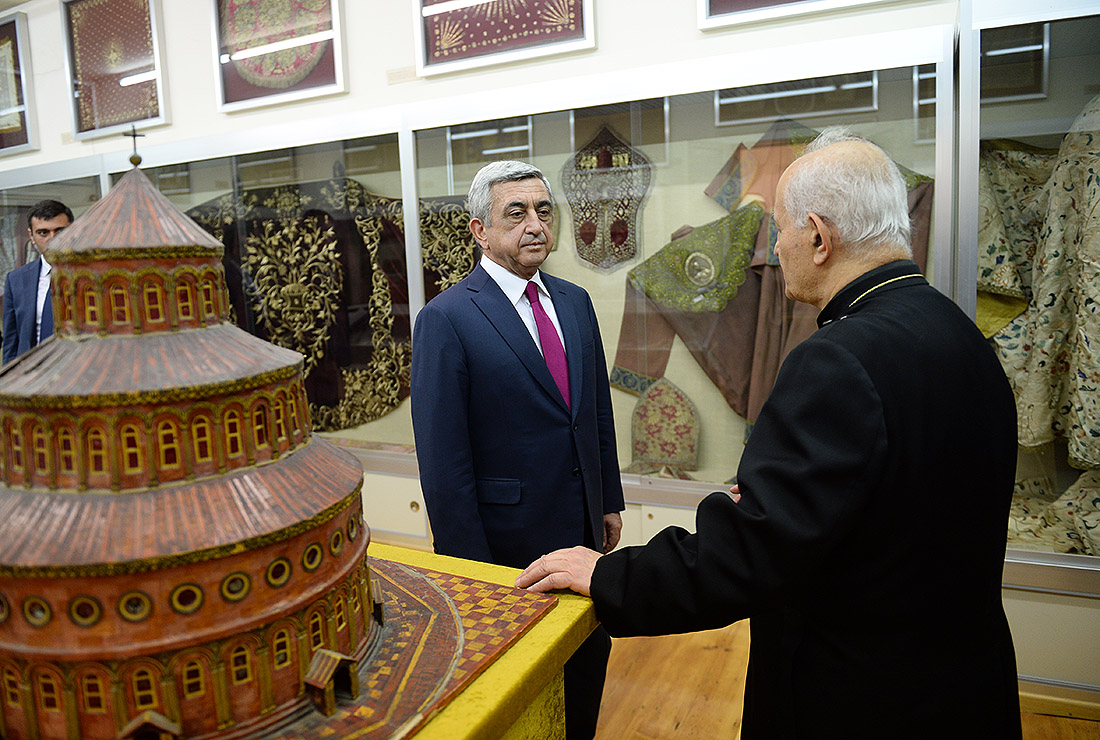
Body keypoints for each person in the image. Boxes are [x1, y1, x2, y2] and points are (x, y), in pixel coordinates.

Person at [516, 130, 1023, 739]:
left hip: (863, 699)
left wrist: (607, 576)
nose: (775, 247)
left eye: (778, 229)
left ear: (818, 236)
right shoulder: (958, 333)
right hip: (964, 687)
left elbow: (752, 555)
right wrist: (779, 499)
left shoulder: (836, 359)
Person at [410, 160, 625, 739]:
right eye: (516, 213)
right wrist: (469, 572)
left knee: (583, 670)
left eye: (543, 210)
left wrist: (608, 500)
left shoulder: (575, 301)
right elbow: (443, 462)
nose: (535, 224)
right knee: (520, 689)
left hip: (582, 531)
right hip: (505, 546)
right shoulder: (447, 318)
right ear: (480, 230)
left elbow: (595, 410)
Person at [3, 199, 73, 364]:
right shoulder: (16, 280)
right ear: (31, 236)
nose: (53, 239)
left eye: (60, 231)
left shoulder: (93, 275)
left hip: (78, 372)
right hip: (33, 373)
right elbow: (11, 344)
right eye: (43, 233)